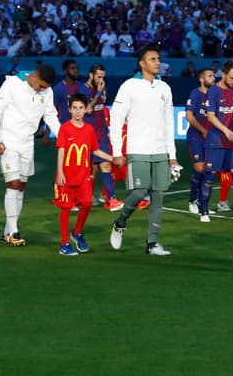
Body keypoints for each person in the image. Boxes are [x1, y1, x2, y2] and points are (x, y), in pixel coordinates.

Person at [108, 46, 179, 256]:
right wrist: (117, 151)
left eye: (158, 58)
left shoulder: (164, 88)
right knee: (139, 192)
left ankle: (152, 243)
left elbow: (169, 123)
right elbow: (116, 118)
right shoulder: (129, 86)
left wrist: (172, 156)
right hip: (137, 149)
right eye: (152, 59)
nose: (158, 62)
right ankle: (120, 222)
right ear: (142, 63)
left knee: (158, 197)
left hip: (159, 151)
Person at [0, 63, 61, 246]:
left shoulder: (46, 92)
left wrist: (63, 137)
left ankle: (7, 233)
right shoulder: (12, 84)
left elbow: (51, 115)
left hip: (28, 142)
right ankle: (14, 231)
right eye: (42, 85)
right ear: (34, 75)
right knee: (13, 184)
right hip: (8, 140)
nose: (43, 89)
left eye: (46, 87)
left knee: (21, 188)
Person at [55, 94, 114, 256]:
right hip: (66, 176)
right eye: (74, 108)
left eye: (81, 108)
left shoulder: (88, 129)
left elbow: (95, 150)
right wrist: (60, 172)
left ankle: (77, 232)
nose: (78, 111)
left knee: (87, 203)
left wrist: (112, 158)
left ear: (85, 109)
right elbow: (61, 150)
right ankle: (64, 244)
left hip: (83, 176)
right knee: (65, 209)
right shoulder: (65, 128)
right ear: (69, 109)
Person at [200, 60, 233, 220]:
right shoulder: (213, 91)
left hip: (232, 143)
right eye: (232, 78)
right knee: (210, 176)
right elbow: (211, 116)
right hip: (216, 142)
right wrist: (227, 131)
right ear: (223, 74)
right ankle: (204, 211)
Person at [79, 64, 121, 211]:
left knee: (105, 165)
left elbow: (100, 112)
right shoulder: (83, 90)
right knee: (89, 170)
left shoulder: (102, 90)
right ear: (91, 75)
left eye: (103, 76)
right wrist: (97, 93)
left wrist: (107, 130)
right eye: (98, 76)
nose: (101, 79)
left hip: (101, 135)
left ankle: (111, 199)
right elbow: (88, 110)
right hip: (87, 136)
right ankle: (80, 197)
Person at [184, 67, 214, 215]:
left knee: (208, 170)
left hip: (210, 138)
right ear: (202, 79)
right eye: (210, 76)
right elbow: (189, 115)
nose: (213, 78)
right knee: (199, 168)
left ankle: (204, 204)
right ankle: (192, 200)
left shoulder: (214, 95)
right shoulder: (195, 94)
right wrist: (203, 131)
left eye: (213, 75)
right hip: (196, 137)